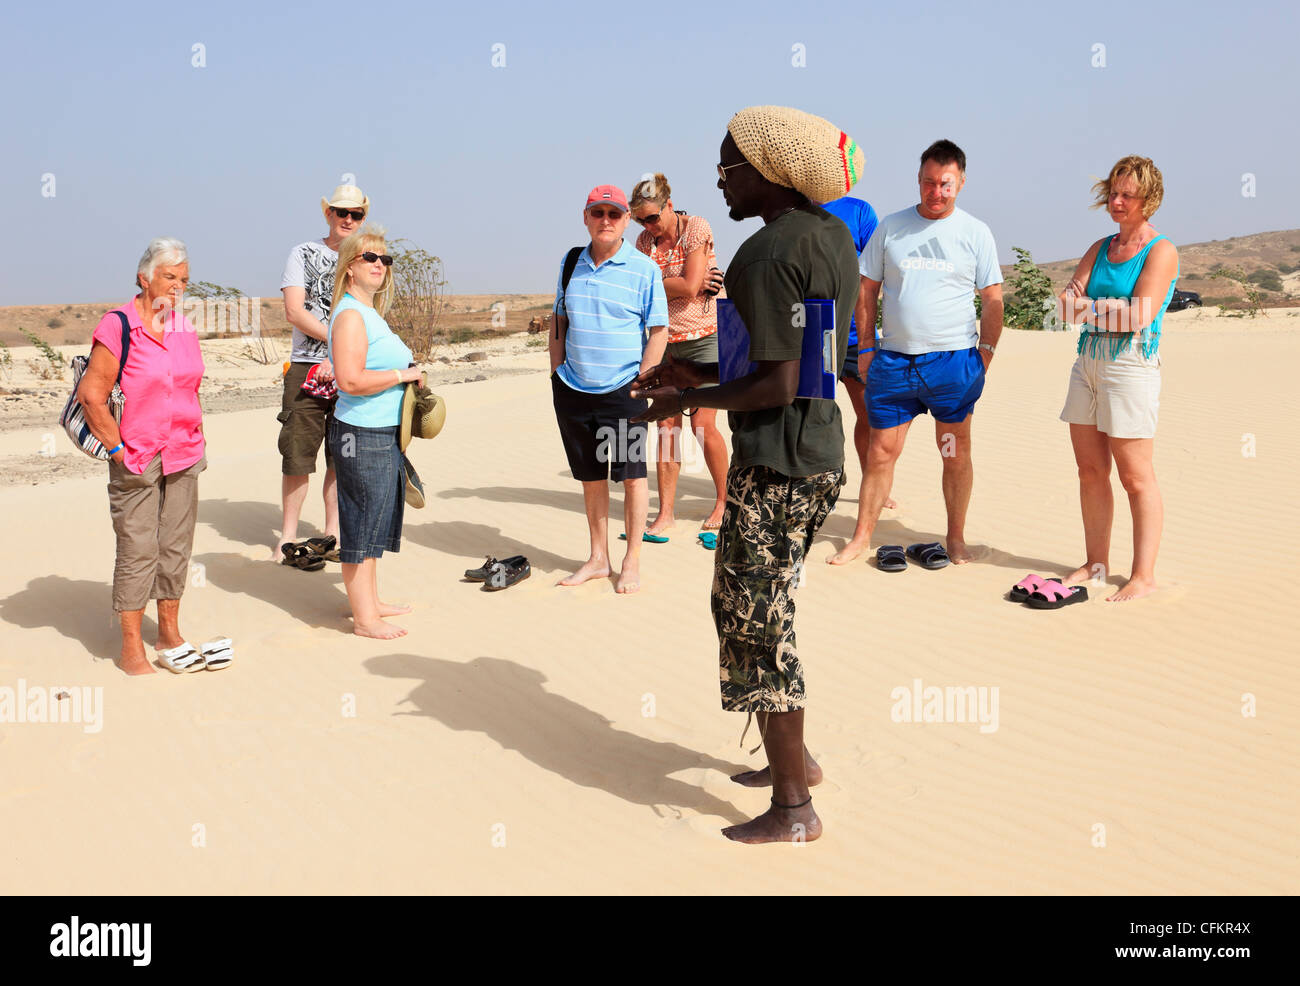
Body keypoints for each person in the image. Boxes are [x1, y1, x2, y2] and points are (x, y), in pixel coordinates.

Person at [633, 106, 864, 844]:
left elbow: (773, 382)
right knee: (772, 610)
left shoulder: (764, 254)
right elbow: (805, 356)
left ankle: (794, 806)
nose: (721, 179)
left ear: (769, 173)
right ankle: (792, 761)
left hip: (776, 458)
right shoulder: (831, 236)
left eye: (729, 166)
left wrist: (684, 398)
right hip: (822, 452)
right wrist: (693, 373)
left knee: (756, 622)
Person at [828, 139, 1004, 567]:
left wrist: (984, 355)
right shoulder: (892, 226)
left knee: (954, 452)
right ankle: (861, 538)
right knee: (881, 451)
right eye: (928, 182)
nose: (935, 192)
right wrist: (866, 347)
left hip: (953, 364)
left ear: (960, 182)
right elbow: (866, 288)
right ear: (918, 180)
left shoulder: (975, 232)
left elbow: (993, 298)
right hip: (894, 362)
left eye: (945, 184)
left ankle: (956, 540)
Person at [76, 238, 209, 676]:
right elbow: (92, 396)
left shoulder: (184, 328)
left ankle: (169, 632)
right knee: (137, 548)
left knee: (176, 546)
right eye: (169, 277)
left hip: (184, 452)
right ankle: (130, 645)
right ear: (144, 277)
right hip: (136, 454)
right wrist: (117, 449)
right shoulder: (117, 325)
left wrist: (196, 432)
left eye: (184, 280)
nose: (177, 287)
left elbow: (191, 385)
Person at [1056, 156, 1178, 602]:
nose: (1117, 201)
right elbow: (1063, 307)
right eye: (1113, 192)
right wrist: (1108, 311)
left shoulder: (1161, 250)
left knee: (1135, 476)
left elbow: (1140, 317)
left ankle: (1143, 575)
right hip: (1086, 363)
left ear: (1149, 200)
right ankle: (1096, 562)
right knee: (1090, 470)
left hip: (1130, 366)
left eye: (1127, 194)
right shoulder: (1100, 246)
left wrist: (1091, 309)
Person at [549, 185, 669, 594]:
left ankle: (630, 560)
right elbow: (558, 323)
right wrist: (555, 373)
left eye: (614, 214)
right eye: (597, 213)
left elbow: (658, 331)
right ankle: (598, 558)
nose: (605, 221)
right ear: (586, 217)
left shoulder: (644, 269)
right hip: (572, 389)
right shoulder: (570, 263)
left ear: (625, 221)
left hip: (624, 390)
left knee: (633, 477)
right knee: (590, 477)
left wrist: (643, 381)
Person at [326, 225, 424, 639]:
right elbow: (349, 381)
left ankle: (372, 601)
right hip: (360, 433)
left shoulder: (368, 313)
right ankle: (364, 619)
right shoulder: (350, 314)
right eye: (370, 258)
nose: (380, 265)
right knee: (361, 523)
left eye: (385, 259)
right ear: (350, 267)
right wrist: (402, 373)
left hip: (380, 431)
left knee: (376, 520)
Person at [629, 174, 729, 538]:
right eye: (641, 220)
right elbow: (641, 290)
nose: (648, 226)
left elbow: (688, 286)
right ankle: (666, 512)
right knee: (666, 427)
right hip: (664, 340)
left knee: (703, 426)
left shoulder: (696, 227)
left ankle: (724, 501)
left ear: (669, 206)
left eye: (652, 217)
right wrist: (686, 282)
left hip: (706, 338)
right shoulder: (642, 241)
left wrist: (678, 282)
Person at [276, 184, 369, 564]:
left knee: (341, 455)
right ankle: (287, 538)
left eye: (355, 214)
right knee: (298, 454)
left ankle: (332, 534)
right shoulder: (303, 253)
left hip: (353, 369)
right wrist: (335, 344)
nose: (348, 219)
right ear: (328, 213)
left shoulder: (368, 258)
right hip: (307, 366)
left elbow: (371, 315)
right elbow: (295, 311)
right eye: (340, 212)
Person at [818, 194, 895, 508]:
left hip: (855, 336)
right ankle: (823, 486)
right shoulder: (794, 206)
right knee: (814, 417)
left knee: (869, 414)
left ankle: (872, 485)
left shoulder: (859, 210)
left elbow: (879, 268)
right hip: (812, 333)